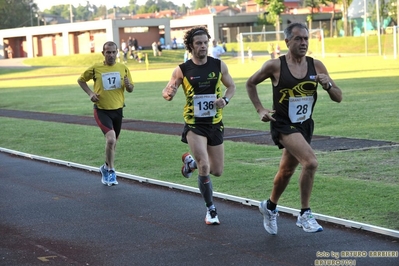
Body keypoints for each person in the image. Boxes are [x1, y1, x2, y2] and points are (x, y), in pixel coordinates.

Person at [246, 22, 342, 234]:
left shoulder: (316, 65)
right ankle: (305, 214)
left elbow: (339, 97)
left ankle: (269, 207)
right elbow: (250, 83)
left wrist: (327, 85)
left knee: (287, 170)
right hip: (282, 124)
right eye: (298, 38)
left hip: (305, 125)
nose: (303, 42)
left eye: (306, 38)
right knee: (311, 162)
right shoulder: (275, 66)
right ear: (287, 41)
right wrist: (260, 108)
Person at [162, 26, 236, 225]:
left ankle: (190, 163)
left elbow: (232, 86)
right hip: (194, 124)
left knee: (217, 170)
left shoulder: (219, 65)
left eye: (205, 42)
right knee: (205, 165)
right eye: (198, 43)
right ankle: (211, 209)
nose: (203, 46)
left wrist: (225, 101)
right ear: (191, 46)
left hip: (215, 122)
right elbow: (168, 90)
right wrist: (169, 93)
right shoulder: (182, 69)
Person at [77, 41, 134, 186]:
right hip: (101, 110)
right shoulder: (96, 68)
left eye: (114, 52)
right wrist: (90, 93)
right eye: (108, 52)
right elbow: (81, 80)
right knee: (110, 139)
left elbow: (131, 88)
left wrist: (128, 85)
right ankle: (110, 171)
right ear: (103, 53)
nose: (111, 55)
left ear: (117, 53)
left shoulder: (123, 68)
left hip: (118, 110)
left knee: (113, 144)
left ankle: (105, 167)